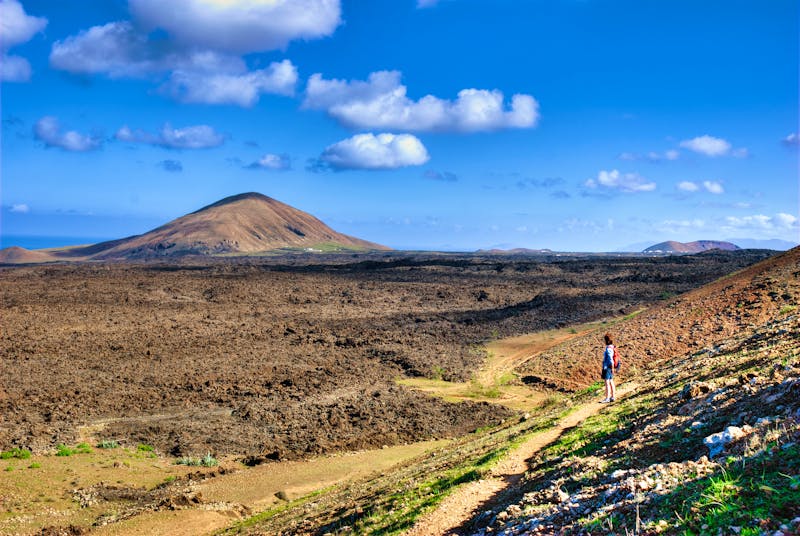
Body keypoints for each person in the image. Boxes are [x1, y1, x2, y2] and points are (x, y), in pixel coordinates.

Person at [600, 333, 616, 403]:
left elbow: (610, 359)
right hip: (610, 367)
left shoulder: (608, 348)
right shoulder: (612, 347)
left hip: (607, 367)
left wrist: (612, 368)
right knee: (611, 381)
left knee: (607, 382)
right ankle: (612, 397)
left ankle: (607, 398)